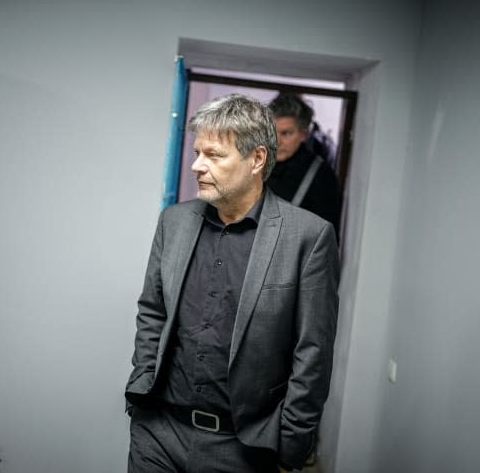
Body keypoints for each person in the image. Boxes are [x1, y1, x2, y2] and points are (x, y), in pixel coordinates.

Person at [125, 94, 340, 472]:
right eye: (197, 152)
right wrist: (142, 380)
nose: (196, 166)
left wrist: (289, 439)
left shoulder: (308, 237)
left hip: (240, 446)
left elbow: (313, 353)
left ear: (256, 159)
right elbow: (152, 310)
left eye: (213, 155)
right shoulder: (174, 222)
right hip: (158, 431)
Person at [266, 93, 342, 236]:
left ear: (303, 135)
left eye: (286, 133)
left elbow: (325, 238)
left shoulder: (320, 175)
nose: (276, 141)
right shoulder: (254, 164)